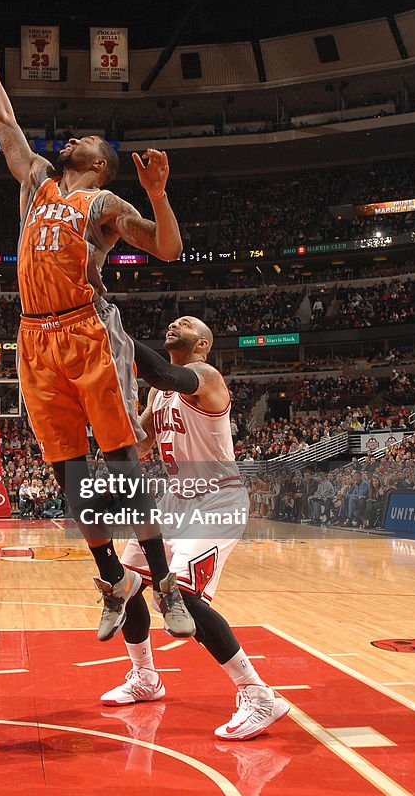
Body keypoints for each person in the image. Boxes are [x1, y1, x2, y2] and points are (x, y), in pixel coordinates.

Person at [0, 12, 193, 641]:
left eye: (87, 139)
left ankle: (164, 583)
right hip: (34, 338)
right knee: (69, 476)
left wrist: (157, 193)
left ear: (101, 164)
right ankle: (114, 581)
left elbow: (168, 249)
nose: (73, 139)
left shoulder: (103, 203)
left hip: (87, 331)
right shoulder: (39, 184)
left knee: (122, 465)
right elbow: (3, 123)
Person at [99, 316, 289, 741]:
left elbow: (162, 370)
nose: (172, 324)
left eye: (185, 323)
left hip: (216, 497)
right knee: (123, 584)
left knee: (179, 594)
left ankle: (259, 695)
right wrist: (108, 409)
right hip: (174, 498)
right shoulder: (158, 392)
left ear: (202, 343)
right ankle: (146, 678)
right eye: (170, 321)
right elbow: (140, 442)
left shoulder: (205, 376)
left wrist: (111, 329)